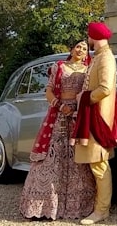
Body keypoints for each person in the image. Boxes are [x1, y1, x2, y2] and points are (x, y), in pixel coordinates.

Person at [19, 40, 96, 221]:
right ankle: (44, 206)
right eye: (78, 46)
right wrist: (60, 106)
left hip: (79, 117)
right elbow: (49, 91)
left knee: (78, 159)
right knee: (51, 158)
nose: (81, 50)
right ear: (71, 49)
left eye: (85, 48)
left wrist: (78, 110)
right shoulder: (59, 66)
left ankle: (76, 207)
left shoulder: (89, 69)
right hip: (60, 116)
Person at [71, 22, 117, 225]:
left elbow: (105, 88)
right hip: (94, 117)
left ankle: (101, 211)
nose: (88, 40)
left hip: (97, 118)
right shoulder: (99, 57)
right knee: (97, 165)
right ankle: (99, 207)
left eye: (89, 37)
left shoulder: (106, 58)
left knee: (99, 166)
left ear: (93, 36)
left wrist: (83, 97)